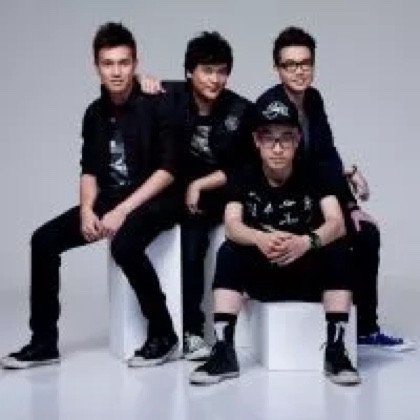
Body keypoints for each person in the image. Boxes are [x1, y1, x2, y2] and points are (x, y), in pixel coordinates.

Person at [0, 22, 181, 369]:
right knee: (43, 241)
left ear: (135, 63)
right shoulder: (94, 114)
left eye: (124, 62)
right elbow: (90, 170)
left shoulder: (157, 102)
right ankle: (43, 343)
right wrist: (87, 209)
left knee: (124, 246)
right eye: (108, 63)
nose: (116, 71)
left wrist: (123, 211)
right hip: (110, 199)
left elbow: (168, 170)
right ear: (96, 66)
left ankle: (163, 334)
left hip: (157, 199)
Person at [255, 26, 413, 351]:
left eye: (305, 63)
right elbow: (278, 164)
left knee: (366, 233)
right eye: (290, 64)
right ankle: (328, 326)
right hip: (281, 204)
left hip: (315, 195)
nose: (299, 71)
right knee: (335, 240)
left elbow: (325, 154)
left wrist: (351, 204)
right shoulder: (270, 107)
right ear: (277, 69)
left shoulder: (313, 99)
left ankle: (365, 328)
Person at [190, 94, 361, 386]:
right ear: (257, 141)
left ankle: (335, 350)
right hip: (263, 274)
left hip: (306, 274)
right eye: (269, 138)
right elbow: (232, 224)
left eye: (286, 138)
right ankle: (224, 351)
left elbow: (336, 222)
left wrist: (305, 242)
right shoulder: (243, 174)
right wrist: (259, 238)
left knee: (337, 249)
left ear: (297, 140)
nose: (278, 148)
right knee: (229, 251)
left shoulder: (316, 173)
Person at [149, 32, 255, 360]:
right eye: (207, 71)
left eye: (222, 71)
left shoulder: (240, 109)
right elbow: (131, 83)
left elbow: (244, 167)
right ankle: (192, 333)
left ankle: (247, 323)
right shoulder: (172, 96)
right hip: (186, 200)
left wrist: (201, 184)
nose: (215, 79)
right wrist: (142, 80)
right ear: (189, 71)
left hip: (227, 191)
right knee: (192, 245)